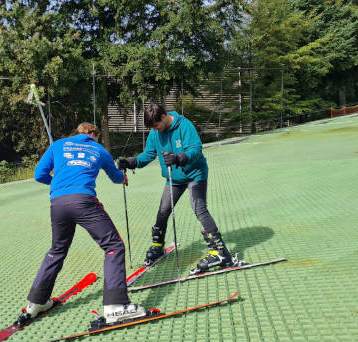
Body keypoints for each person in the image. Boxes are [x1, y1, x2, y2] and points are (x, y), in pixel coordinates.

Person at [24, 122, 145, 324]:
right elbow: (116, 177)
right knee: (113, 246)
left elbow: (39, 175)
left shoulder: (58, 145)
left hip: (58, 204)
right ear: (93, 134)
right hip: (83, 201)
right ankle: (115, 307)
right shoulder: (99, 149)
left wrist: (57, 183)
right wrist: (124, 178)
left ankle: (36, 303)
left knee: (57, 250)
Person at [117, 104, 232, 274]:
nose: (155, 130)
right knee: (163, 211)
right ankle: (157, 246)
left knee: (199, 209)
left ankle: (221, 253)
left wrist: (180, 157)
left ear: (163, 117)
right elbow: (149, 154)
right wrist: (132, 161)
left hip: (194, 173)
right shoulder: (155, 132)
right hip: (174, 178)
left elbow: (195, 149)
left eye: (156, 125)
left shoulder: (184, 125)